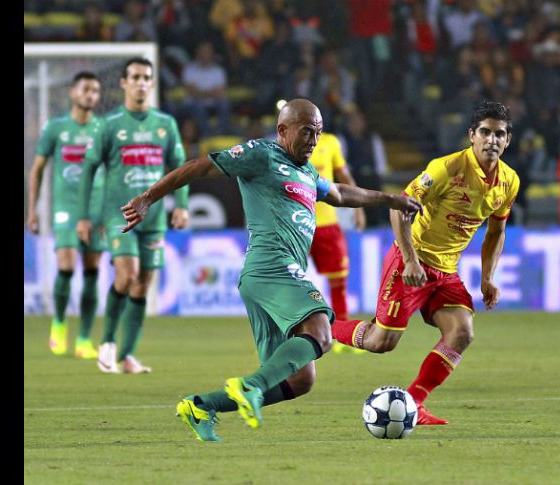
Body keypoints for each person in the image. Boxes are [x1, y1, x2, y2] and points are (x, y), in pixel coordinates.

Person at [119, 99, 422, 442]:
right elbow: (201, 166)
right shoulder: (261, 155)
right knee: (321, 331)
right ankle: (250, 386)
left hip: (265, 278)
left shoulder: (306, 172)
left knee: (300, 379)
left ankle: (200, 405)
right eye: (307, 132)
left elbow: (338, 192)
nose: (313, 141)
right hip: (271, 266)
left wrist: (390, 199)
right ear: (283, 130)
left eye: (318, 134)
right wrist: (149, 197)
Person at [329, 101, 520, 425]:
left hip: (445, 271)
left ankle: (414, 403)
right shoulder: (445, 169)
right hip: (411, 262)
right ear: (472, 135)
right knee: (381, 342)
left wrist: (487, 278)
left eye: (499, 134)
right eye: (485, 132)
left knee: (462, 332)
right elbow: (399, 208)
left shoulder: (509, 181)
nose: (492, 140)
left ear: (508, 140)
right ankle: (322, 325)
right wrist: (410, 261)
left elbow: (496, 231)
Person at [77, 57, 190, 374]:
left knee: (143, 283)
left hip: (153, 220)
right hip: (120, 216)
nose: (141, 83)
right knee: (127, 275)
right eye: (135, 77)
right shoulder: (110, 125)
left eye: (146, 78)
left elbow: (179, 169)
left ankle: (127, 356)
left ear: (152, 84)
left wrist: (181, 204)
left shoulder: (165, 124)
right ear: (124, 83)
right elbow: (88, 169)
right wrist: (85, 216)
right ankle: (108, 343)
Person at [27, 71, 105, 360]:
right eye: (85, 89)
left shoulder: (103, 129)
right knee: (67, 265)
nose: (90, 95)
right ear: (72, 92)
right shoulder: (56, 128)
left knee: (92, 272)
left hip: (95, 208)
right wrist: (32, 210)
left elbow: (111, 172)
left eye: (95, 91)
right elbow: (36, 170)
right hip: (65, 208)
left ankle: (84, 337)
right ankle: (59, 324)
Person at [308, 132, 366, 354]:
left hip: (327, 225)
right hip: (295, 225)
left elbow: (343, 175)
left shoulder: (331, 142)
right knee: (284, 283)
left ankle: (341, 336)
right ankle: (280, 338)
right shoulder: (284, 145)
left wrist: (358, 208)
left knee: (339, 282)